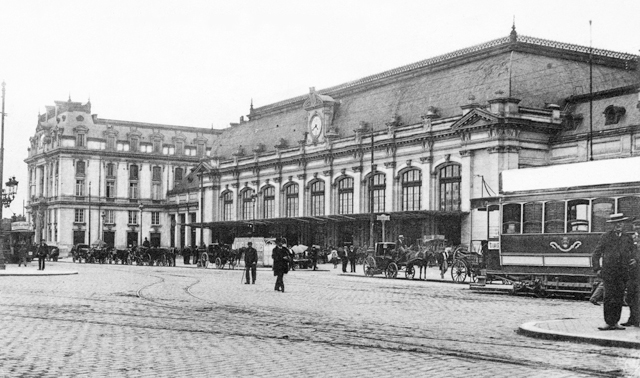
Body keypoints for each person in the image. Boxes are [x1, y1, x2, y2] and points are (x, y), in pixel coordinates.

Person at [591, 213, 635, 331]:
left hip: (622, 273)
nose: (618, 225)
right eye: (616, 223)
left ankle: (615, 322)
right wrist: (597, 269)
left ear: (623, 224)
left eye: (620, 223)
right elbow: (596, 254)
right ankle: (608, 322)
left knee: (619, 297)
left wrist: (634, 260)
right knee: (609, 298)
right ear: (612, 225)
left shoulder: (627, 238)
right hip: (609, 273)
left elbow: (634, 252)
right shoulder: (606, 237)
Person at [621, 218, 640, 326]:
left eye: (639, 225)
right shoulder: (631, 238)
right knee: (630, 297)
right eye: (635, 225)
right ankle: (633, 318)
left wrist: (637, 260)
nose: (637, 227)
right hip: (632, 273)